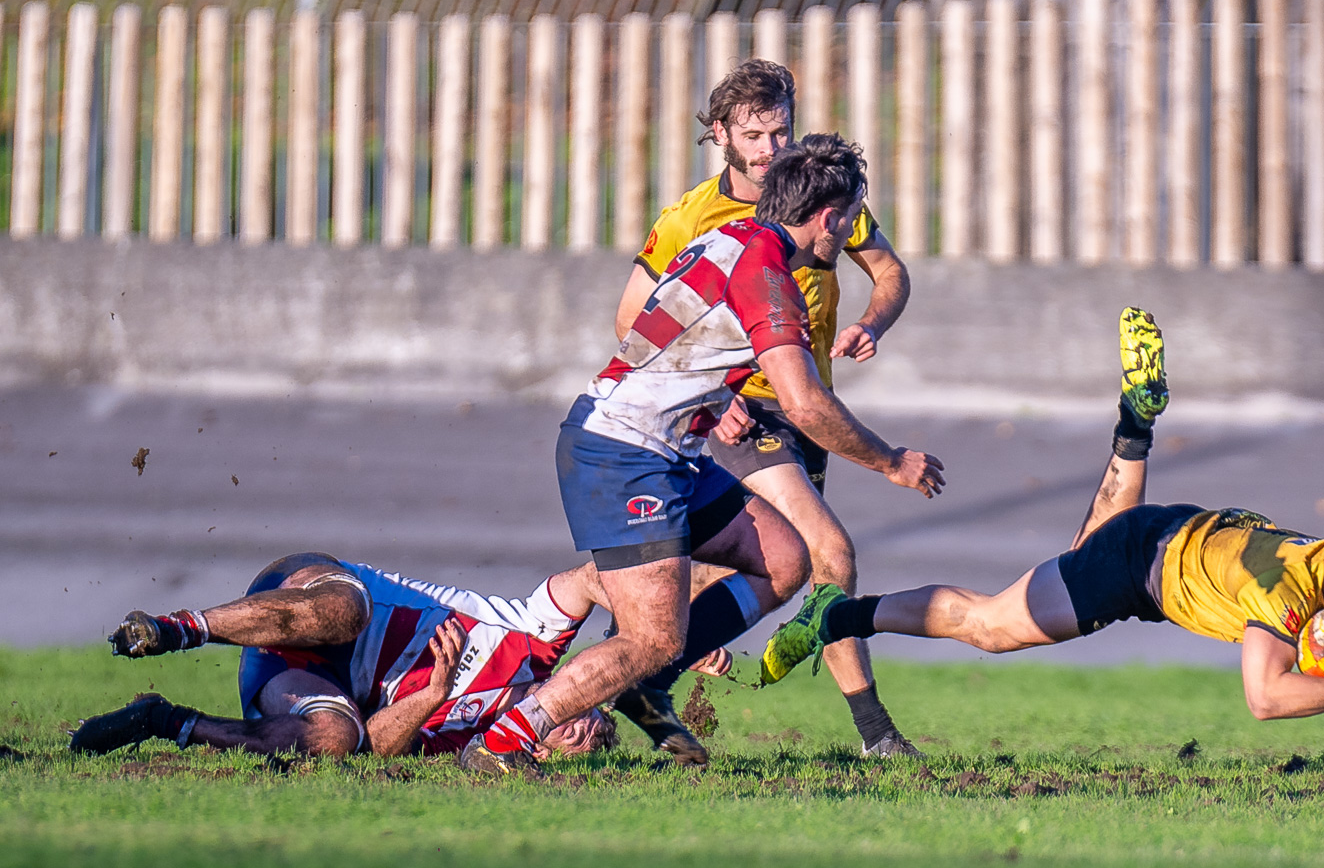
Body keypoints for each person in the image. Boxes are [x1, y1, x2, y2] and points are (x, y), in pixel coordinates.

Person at [759, 310, 1324, 774]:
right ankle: (843, 616)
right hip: (1143, 565)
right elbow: (1265, 700)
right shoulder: (1290, 591)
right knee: (989, 625)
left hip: (1180, 537)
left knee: (1086, 543)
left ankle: (1135, 427)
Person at [459, 134, 944, 777]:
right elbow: (804, 403)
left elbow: (668, 336)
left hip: (667, 449)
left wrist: (715, 398)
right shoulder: (768, 275)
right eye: (853, 215)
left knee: (784, 557)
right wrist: (890, 461)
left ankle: (645, 683)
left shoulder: (733, 240)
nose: (855, 229)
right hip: (624, 453)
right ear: (827, 217)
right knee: (652, 638)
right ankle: (505, 741)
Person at [611, 59, 920, 760]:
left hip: (809, 406)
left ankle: (636, 673)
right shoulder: (692, 215)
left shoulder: (820, 195)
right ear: (721, 132)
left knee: (798, 565)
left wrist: (873, 321)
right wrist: (712, 398)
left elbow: (893, 272)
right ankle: (876, 734)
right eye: (755, 133)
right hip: (743, 412)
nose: (771, 146)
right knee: (826, 550)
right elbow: (632, 320)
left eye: (780, 127)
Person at [69, 552, 612, 760]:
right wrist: (677, 630)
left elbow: (375, 746)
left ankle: (163, 720)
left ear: (535, 752)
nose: (581, 728)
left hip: (298, 671)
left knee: (336, 739)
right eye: (592, 720)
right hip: (312, 593)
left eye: (579, 744)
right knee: (348, 613)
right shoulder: (538, 639)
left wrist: (434, 692)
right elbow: (594, 578)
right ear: (579, 684)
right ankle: (177, 629)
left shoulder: (469, 740)